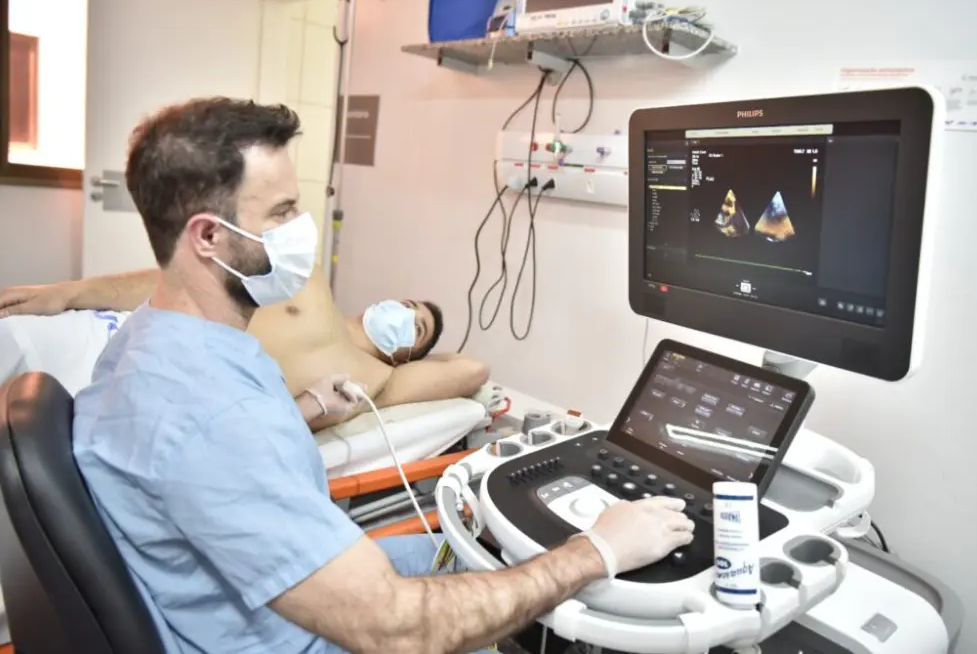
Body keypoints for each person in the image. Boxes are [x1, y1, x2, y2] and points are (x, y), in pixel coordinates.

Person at [71, 96, 695, 653]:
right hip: (301, 636)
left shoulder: (154, 342)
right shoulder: (214, 416)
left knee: (473, 554)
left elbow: (219, 455)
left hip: (251, 595)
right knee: (541, 584)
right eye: (283, 213)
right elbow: (398, 630)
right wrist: (596, 550)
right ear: (208, 236)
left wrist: (309, 409)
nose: (302, 230)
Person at [0, 268, 488, 431]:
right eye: (405, 304)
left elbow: (471, 369)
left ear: (406, 355)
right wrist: (71, 292)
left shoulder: (376, 377)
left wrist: (423, 354)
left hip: (151, 396)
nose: (402, 314)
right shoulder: (308, 281)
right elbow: (182, 283)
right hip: (112, 333)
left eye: (415, 326)